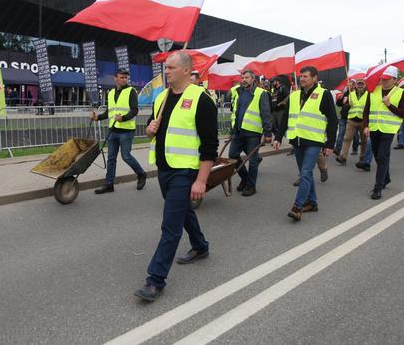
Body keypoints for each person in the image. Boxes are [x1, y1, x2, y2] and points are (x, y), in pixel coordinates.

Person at [134, 52, 218, 302]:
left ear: (185, 70)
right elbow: (152, 128)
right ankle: (201, 246)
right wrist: (149, 129)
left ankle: (155, 280)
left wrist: (201, 180)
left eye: (171, 67)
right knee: (183, 212)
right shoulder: (161, 97)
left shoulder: (201, 99)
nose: (166, 71)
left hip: (185, 171)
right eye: (165, 67)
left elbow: (210, 145)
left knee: (170, 225)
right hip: (164, 168)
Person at [274, 66, 338, 221]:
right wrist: (278, 137)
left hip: (314, 141)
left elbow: (333, 120)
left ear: (315, 78)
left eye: (305, 76)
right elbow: (285, 118)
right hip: (297, 140)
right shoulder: (294, 95)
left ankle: (297, 206)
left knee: (305, 173)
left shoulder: (324, 94)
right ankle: (312, 202)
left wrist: (330, 144)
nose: (302, 79)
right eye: (300, 76)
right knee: (306, 174)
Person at [91, 68, 147, 193]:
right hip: (113, 130)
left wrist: (123, 118)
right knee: (111, 158)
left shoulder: (131, 91)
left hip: (126, 131)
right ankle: (109, 184)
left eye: (125, 77)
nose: (124, 79)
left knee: (126, 156)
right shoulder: (110, 93)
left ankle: (141, 174)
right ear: (115, 78)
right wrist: (97, 118)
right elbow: (109, 112)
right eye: (121, 77)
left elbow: (134, 110)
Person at [362, 66, 404, 199]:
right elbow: (366, 110)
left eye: (387, 79)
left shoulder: (400, 93)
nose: (384, 81)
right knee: (378, 156)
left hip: (388, 129)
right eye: (383, 79)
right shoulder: (373, 91)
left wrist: (389, 105)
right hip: (374, 128)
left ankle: (378, 187)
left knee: (382, 156)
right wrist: (366, 126)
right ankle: (386, 177)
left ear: (395, 80)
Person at [228, 70, 272, 196]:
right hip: (238, 132)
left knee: (252, 160)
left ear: (253, 79)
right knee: (232, 156)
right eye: (242, 77)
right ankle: (245, 178)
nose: (244, 80)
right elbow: (235, 113)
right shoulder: (238, 92)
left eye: (247, 77)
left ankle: (251, 186)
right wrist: (232, 131)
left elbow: (266, 114)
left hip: (253, 133)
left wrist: (268, 133)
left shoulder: (261, 93)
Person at [337, 78, 368, 165]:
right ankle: (343, 157)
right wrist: (346, 103)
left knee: (364, 140)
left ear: (365, 85)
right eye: (358, 84)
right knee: (347, 139)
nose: (360, 86)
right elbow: (346, 107)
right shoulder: (351, 94)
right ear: (356, 86)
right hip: (352, 120)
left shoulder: (368, 95)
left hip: (363, 121)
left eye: (362, 84)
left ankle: (362, 157)